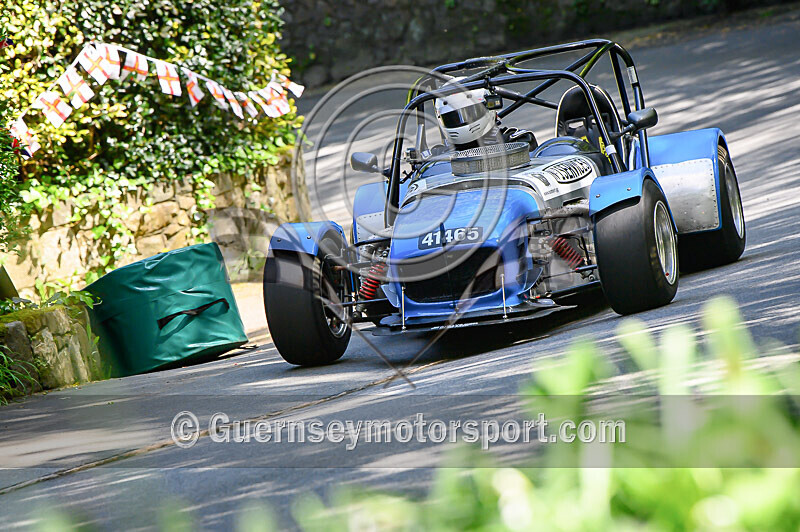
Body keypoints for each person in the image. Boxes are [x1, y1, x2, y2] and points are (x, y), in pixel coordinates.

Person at [434, 78, 537, 152]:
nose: (464, 122)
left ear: (489, 108)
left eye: (470, 113)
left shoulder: (519, 141)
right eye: (453, 118)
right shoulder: (438, 157)